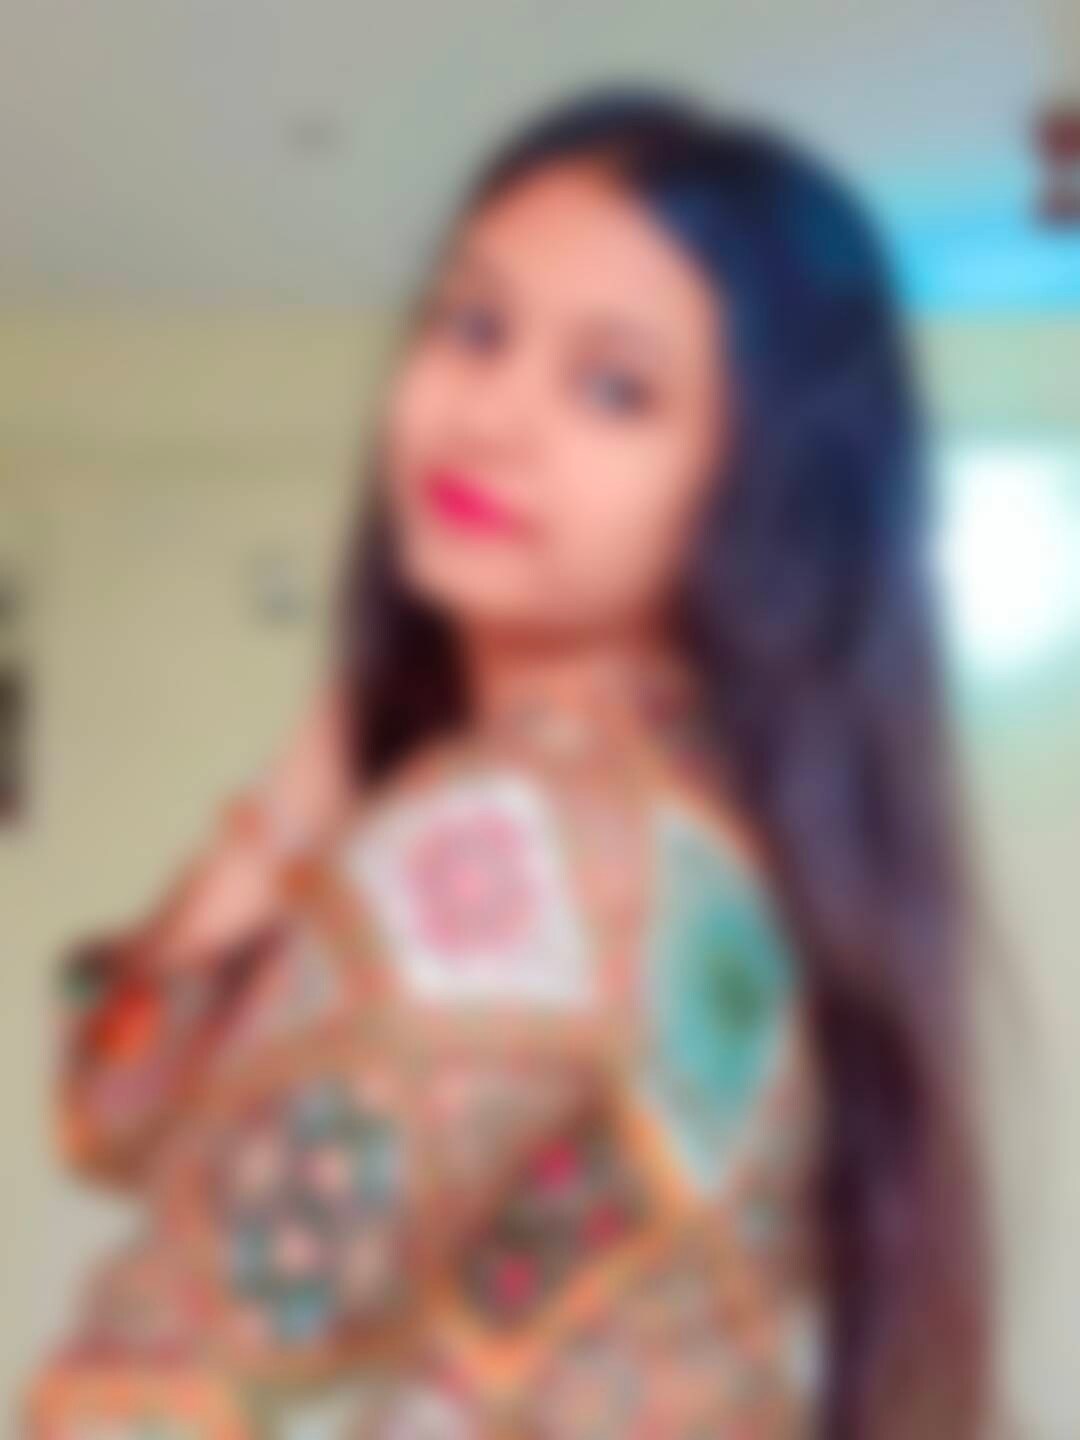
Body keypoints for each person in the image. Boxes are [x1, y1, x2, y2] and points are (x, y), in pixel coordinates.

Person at [25, 85, 992, 1439]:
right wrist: (287, 813)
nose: (491, 415)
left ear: (752, 491)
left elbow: (153, 1386)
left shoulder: (522, 847)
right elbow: (119, 1112)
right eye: (474, 326)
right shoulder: (697, 836)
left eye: (613, 388)